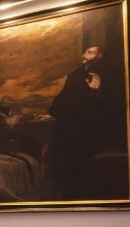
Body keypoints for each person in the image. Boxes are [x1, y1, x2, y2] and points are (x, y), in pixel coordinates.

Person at [48, 46, 123, 199]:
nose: (84, 54)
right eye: (85, 52)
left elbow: (110, 105)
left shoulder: (109, 74)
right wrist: (53, 111)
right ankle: (65, 191)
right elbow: (63, 99)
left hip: (93, 126)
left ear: (99, 56)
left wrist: (95, 91)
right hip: (71, 124)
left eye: (90, 52)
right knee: (60, 146)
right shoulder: (75, 75)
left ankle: (82, 192)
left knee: (78, 150)